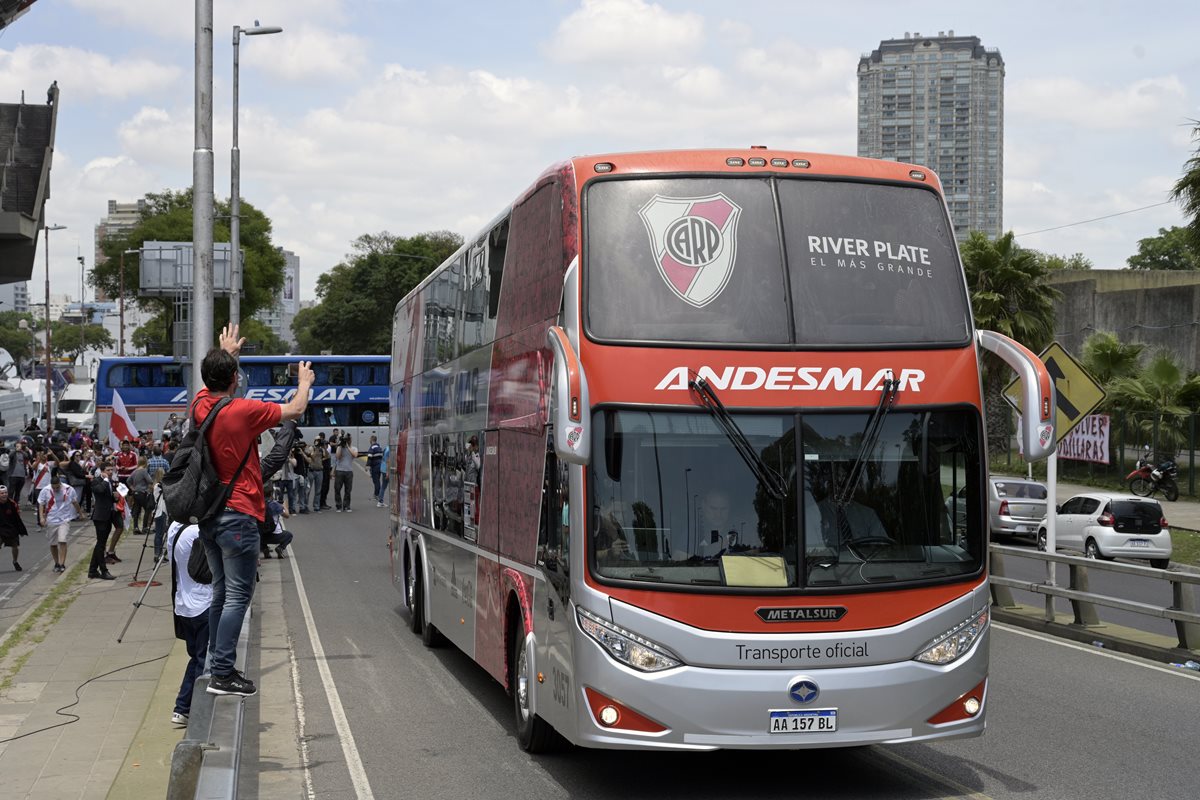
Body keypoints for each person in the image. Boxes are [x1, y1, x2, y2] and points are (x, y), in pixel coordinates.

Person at [195, 323, 313, 698]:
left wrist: (228, 353)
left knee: (219, 591)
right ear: (234, 380)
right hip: (238, 513)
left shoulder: (201, 405)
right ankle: (223, 673)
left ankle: (217, 662)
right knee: (237, 596)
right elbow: (295, 408)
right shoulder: (242, 411)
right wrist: (305, 380)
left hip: (210, 515)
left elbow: (218, 380)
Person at [168, 520, 211, 726]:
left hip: (183, 604)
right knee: (204, 661)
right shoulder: (201, 531)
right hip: (204, 603)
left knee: (196, 658)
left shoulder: (174, 529)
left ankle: (182, 708)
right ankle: (199, 716)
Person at [39, 472, 81, 574]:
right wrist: (41, 518)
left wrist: (80, 512)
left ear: (60, 484)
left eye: (57, 487)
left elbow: (74, 502)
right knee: (53, 544)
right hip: (51, 519)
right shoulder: (45, 490)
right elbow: (41, 504)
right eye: (54, 488)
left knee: (62, 540)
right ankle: (56, 563)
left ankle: (62, 564)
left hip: (64, 519)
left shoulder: (68, 489)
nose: (56, 490)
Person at [0, 485, 28, 571]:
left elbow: (17, 518)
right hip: (0, 528)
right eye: (2, 493)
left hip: (11, 528)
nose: (4, 495)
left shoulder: (12, 503)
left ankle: (15, 561)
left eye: (5, 493)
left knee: (15, 546)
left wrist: (21, 530)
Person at [127, 455, 154, 535]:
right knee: (147, 509)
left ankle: (135, 527)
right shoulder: (144, 471)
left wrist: (133, 488)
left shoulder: (135, 471)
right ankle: (145, 527)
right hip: (142, 492)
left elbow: (128, 480)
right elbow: (150, 481)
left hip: (136, 493)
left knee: (137, 510)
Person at [333, 434, 357, 512]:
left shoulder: (353, 448)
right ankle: (339, 506)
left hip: (349, 471)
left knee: (348, 490)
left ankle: (346, 506)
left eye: (349, 440)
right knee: (337, 489)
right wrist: (340, 445)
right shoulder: (340, 448)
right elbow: (337, 457)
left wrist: (347, 447)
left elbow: (355, 455)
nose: (348, 441)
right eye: (347, 440)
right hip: (339, 471)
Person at [6, 440, 27, 508]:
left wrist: (22, 450)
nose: (19, 447)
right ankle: (9, 506)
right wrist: (15, 450)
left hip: (21, 476)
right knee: (11, 492)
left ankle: (15, 506)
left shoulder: (23, 453)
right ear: (15, 447)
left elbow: (27, 456)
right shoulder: (13, 453)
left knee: (18, 493)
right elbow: (9, 456)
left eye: (19, 446)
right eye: (17, 446)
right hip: (13, 475)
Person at [366, 435, 384, 507]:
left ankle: (377, 495)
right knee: (378, 480)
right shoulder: (379, 447)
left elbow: (370, 457)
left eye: (370, 439)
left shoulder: (372, 447)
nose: (369, 440)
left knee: (375, 481)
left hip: (375, 466)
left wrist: (367, 465)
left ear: (372, 440)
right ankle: (377, 494)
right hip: (380, 466)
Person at [318, 434, 333, 510]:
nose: (326, 445)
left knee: (326, 487)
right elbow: (321, 459)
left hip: (327, 470)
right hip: (322, 470)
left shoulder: (326, 450)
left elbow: (328, 456)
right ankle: (320, 503)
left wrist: (325, 448)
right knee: (322, 487)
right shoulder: (319, 450)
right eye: (324, 444)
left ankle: (324, 502)